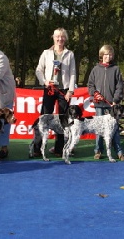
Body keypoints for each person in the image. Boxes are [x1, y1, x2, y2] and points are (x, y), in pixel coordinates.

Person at [35, 28, 76, 157]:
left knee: (63, 119)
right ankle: (37, 147)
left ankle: (59, 149)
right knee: (44, 117)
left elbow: (73, 73)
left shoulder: (70, 54)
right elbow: (38, 70)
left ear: (65, 39)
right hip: (50, 88)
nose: (60, 39)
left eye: (62, 37)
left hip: (64, 90)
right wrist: (45, 82)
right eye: (57, 37)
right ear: (53, 38)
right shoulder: (46, 53)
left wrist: (70, 91)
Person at [87, 45, 124, 161]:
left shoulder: (116, 69)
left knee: (114, 129)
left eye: (110, 55)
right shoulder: (95, 69)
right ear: (101, 55)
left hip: (111, 105)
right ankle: (98, 150)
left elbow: (119, 86)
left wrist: (115, 100)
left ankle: (119, 151)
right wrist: (94, 93)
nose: (108, 57)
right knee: (99, 129)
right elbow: (90, 84)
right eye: (105, 55)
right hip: (99, 104)